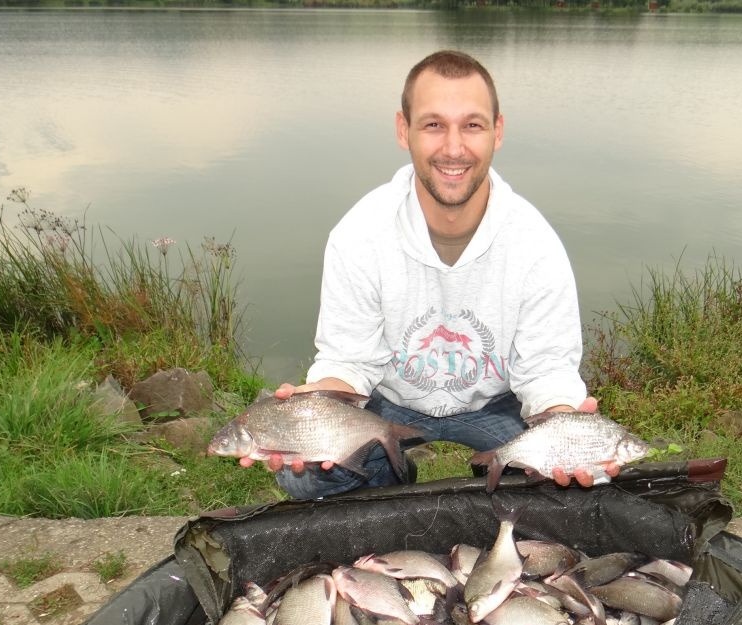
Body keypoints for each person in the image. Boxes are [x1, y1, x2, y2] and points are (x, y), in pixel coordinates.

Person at [242, 49, 618, 498]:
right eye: (434, 124)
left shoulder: (535, 244)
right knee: (307, 474)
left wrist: (564, 426)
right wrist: (313, 409)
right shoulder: (359, 233)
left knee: (572, 477)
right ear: (404, 130)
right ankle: (387, 479)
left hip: (496, 405)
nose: (454, 148)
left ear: (497, 132)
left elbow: (546, 370)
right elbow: (349, 360)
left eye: (472, 125)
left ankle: (499, 479)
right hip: (387, 402)